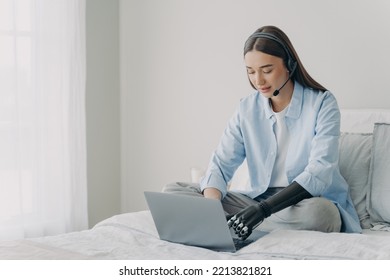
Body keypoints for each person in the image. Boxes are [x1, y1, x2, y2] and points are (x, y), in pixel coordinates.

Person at [163, 25, 362, 240]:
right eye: (250, 71)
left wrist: (263, 211)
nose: (258, 81)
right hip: (254, 202)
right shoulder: (246, 108)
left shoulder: (322, 103)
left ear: (289, 65)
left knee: (322, 215)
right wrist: (211, 209)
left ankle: (240, 226)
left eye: (267, 70)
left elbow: (319, 172)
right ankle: (230, 224)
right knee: (173, 191)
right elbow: (220, 166)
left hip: (301, 203)